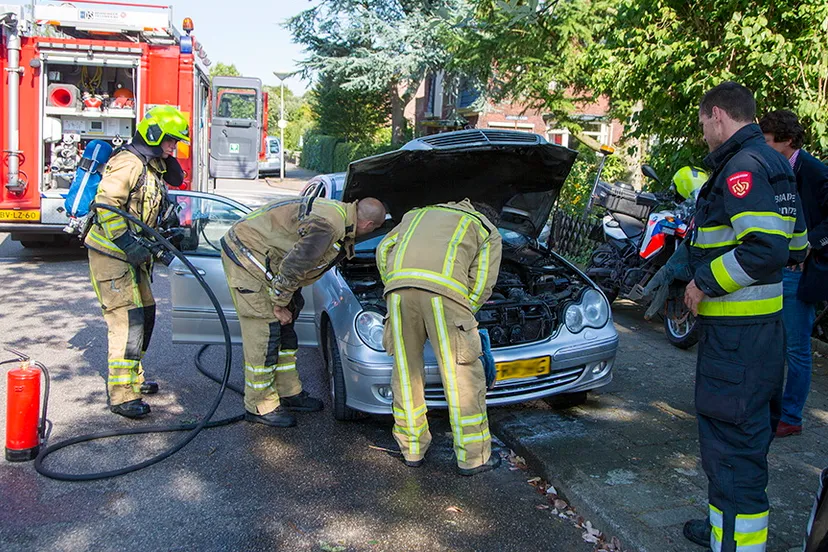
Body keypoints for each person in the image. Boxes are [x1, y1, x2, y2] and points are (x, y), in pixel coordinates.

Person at [680, 82, 807, 552]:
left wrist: (704, 282)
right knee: (741, 443)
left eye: (703, 124)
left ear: (718, 115)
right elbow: (797, 245)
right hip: (763, 333)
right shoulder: (777, 162)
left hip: (736, 337)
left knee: (731, 450)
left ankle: (734, 544)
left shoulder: (744, 167)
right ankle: (723, 532)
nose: (704, 133)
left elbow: (766, 248)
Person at [221, 195, 386, 428]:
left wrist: (287, 299)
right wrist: (279, 302)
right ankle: (259, 405)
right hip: (247, 254)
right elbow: (294, 265)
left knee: (286, 330)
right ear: (368, 226)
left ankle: (289, 392)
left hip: (271, 260)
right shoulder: (328, 226)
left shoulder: (341, 218)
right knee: (266, 332)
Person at [376, 199, 502, 476]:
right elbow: (483, 282)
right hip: (445, 297)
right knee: (462, 377)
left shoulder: (415, 213)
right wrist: (464, 312)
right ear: (487, 215)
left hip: (398, 294)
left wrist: (394, 284)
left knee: (406, 373)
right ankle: (473, 457)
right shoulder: (485, 227)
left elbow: (384, 247)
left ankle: (411, 449)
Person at [85, 105, 189, 419]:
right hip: (112, 255)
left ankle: (134, 378)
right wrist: (129, 244)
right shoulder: (128, 163)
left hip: (134, 258)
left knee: (145, 315)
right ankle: (121, 395)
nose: (174, 146)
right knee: (126, 322)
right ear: (155, 135)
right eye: (171, 140)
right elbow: (107, 206)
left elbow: (151, 209)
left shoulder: (152, 167)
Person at [759, 109, 828, 438]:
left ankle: (791, 417)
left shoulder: (815, 171)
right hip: (772, 269)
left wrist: (809, 244)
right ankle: (770, 409)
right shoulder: (770, 168)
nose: (763, 146)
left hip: (800, 274)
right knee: (771, 344)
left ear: (787, 141)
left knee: (797, 348)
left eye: (768, 141)